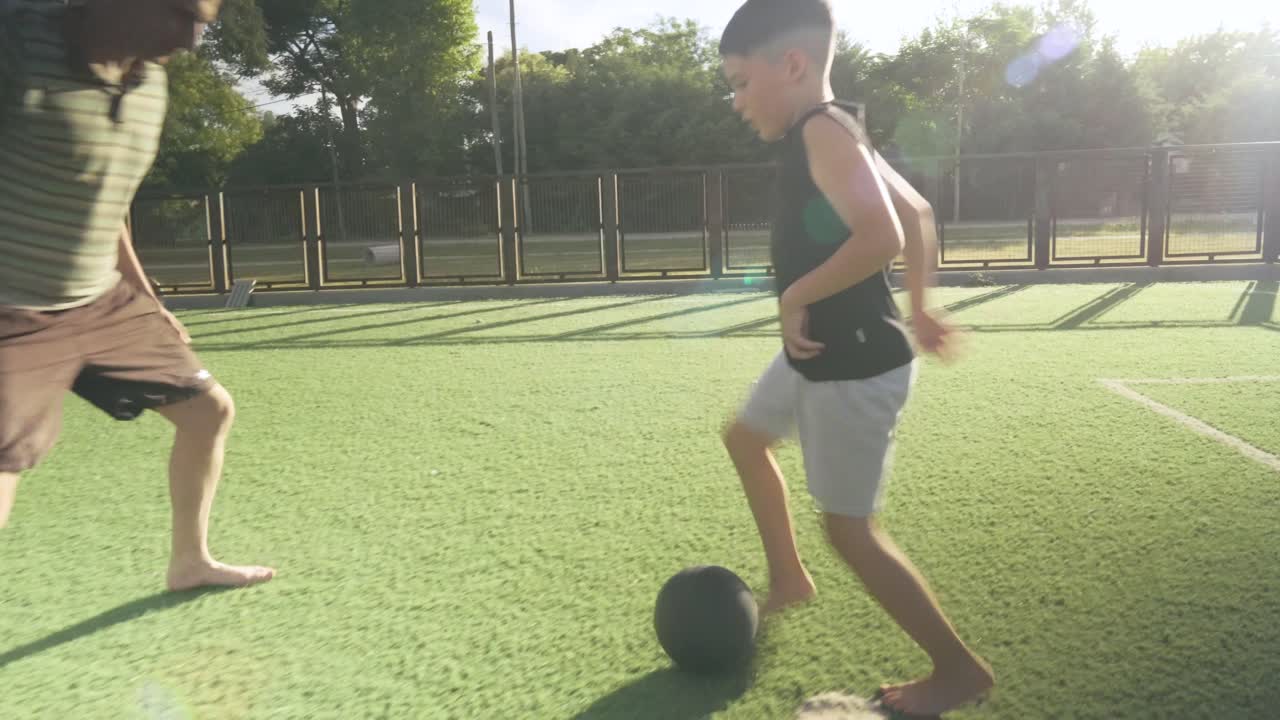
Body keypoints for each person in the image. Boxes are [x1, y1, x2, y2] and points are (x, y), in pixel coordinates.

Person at [717, 0, 992, 714]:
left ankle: (957, 671)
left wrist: (794, 295)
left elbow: (881, 237)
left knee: (850, 530)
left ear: (793, 66)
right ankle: (788, 579)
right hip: (821, 350)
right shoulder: (838, 131)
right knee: (746, 438)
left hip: (853, 365)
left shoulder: (823, 131)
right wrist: (923, 306)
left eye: (741, 82)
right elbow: (919, 215)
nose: (736, 101)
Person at [0, 0, 275, 592]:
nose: (192, 40)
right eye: (180, 15)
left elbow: (106, 199)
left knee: (208, 412)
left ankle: (189, 562)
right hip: (13, 306)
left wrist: (148, 300)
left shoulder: (150, 85)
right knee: (3, 461)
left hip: (100, 301)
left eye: (202, 23)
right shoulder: (16, 43)